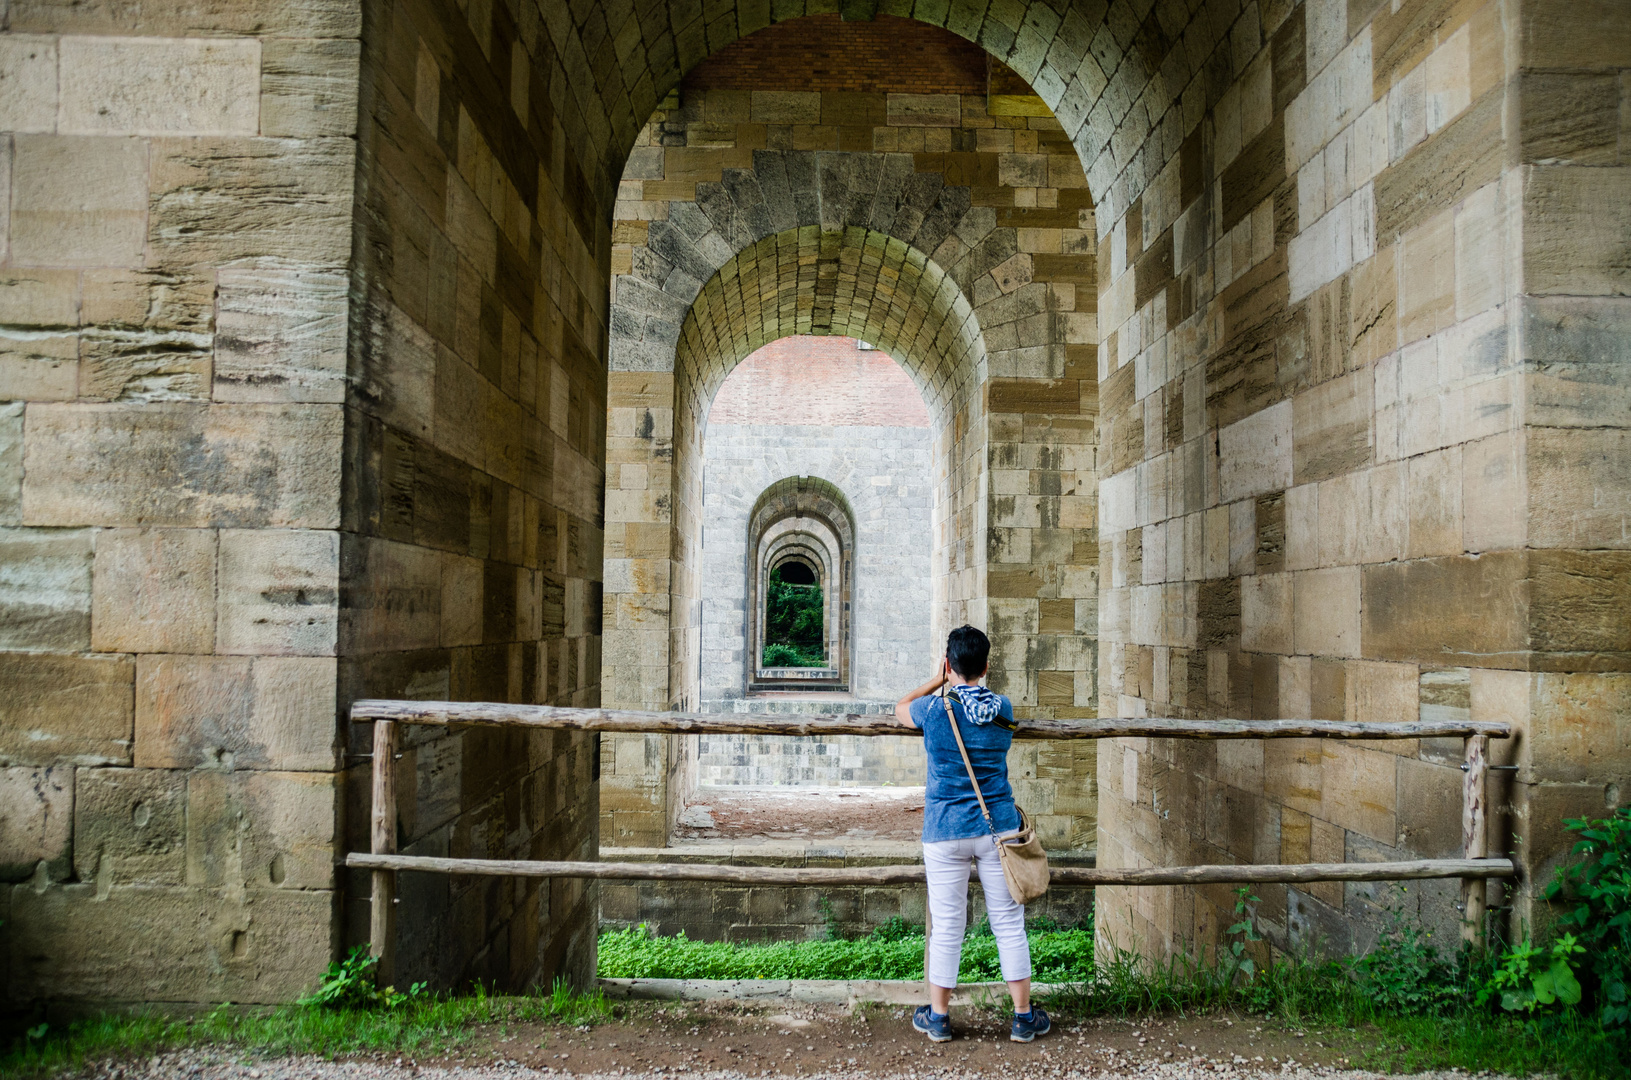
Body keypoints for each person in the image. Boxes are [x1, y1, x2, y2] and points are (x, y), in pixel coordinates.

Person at [894, 624, 1051, 1044]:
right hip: (998, 829)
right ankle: (1022, 1017)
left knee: (947, 926)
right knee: (1008, 923)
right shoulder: (1003, 708)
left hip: (945, 830)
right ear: (985, 665)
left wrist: (939, 679)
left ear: (950, 665)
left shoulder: (932, 711)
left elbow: (900, 706)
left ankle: (940, 1018)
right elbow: (989, 709)